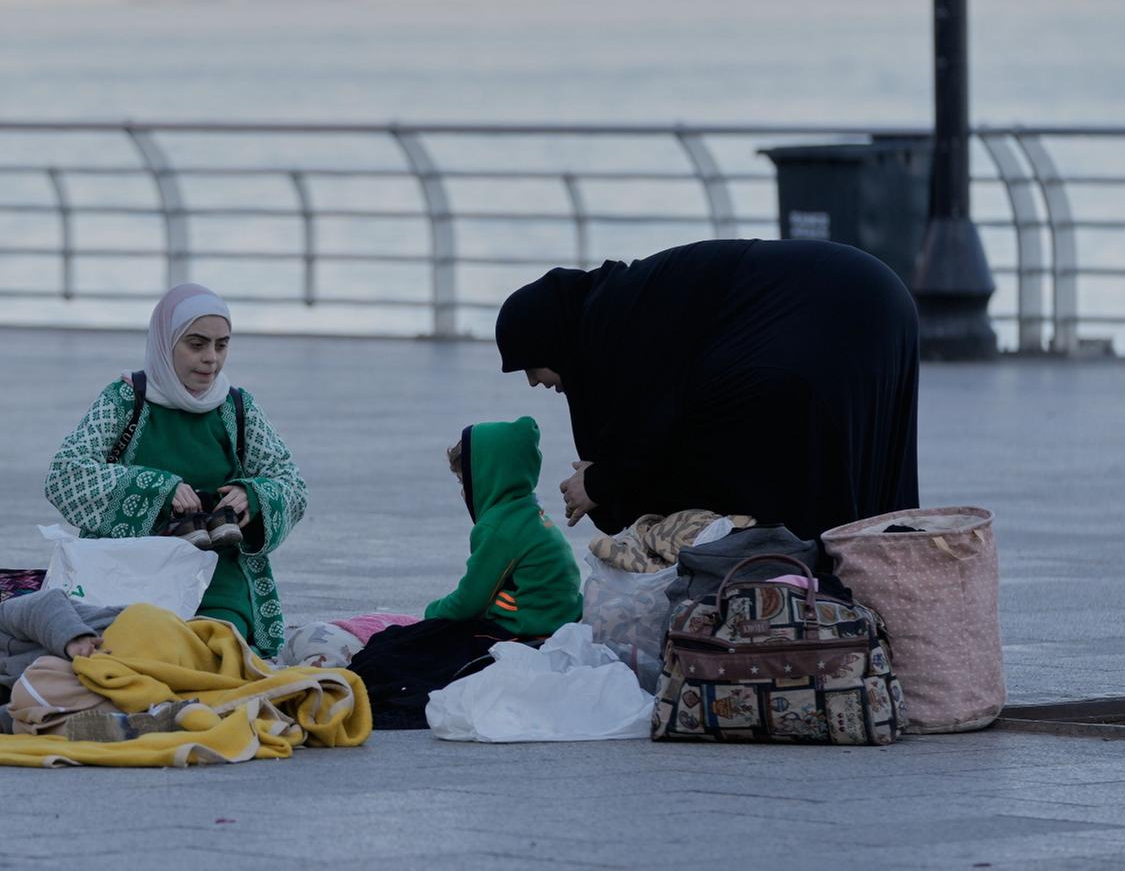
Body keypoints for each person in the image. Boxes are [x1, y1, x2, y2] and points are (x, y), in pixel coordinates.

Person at [494, 238, 921, 541]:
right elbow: (656, 426)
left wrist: (601, 483)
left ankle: (811, 617)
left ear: (553, 340)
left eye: (531, 365)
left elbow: (662, 428)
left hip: (830, 316)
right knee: (865, 488)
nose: (535, 381)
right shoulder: (625, 303)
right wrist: (611, 476)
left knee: (780, 479)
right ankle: (871, 608)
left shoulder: (617, 326)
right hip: (877, 296)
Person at [44, 284, 307, 658]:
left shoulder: (237, 407)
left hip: (216, 578)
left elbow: (291, 482)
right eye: (196, 344)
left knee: (215, 652)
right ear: (164, 342)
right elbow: (64, 474)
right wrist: (158, 489)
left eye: (222, 345)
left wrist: (255, 495)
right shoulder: (124, 399)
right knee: (144, 649)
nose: (211, 359)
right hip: (130, 574)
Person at [347, 417, 583, 729]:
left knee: (403, 652)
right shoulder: (527, 513)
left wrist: (432, 613)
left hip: (525, 634)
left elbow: (468, 602)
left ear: (487, 477)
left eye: (464, 481)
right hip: (552, 624)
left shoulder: (499, 527)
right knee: (413, 643)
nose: (463, 492)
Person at [0, 589, 188, 740]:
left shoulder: (3, 627)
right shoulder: (17, 702)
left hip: (131, 635)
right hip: (133, 681)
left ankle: (138, 718)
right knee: (32, 716)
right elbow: (18, 712)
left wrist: (72, 639)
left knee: (34, 694)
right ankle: (148, 719)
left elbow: (46, 603)